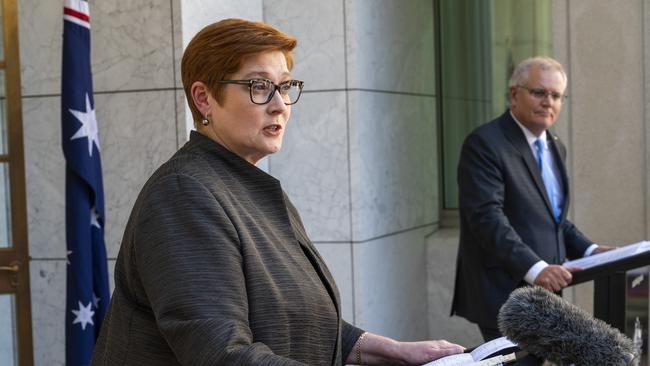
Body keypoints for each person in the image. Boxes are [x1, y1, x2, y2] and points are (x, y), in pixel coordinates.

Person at [91, 18, 463, 366]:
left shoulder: (241, 183)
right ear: (203, 99)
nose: (280, 105)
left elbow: (296, 316)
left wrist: (388, 350)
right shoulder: (183, 195)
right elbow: (223, 354)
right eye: (258, 86)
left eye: (285, 86)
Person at [450, 57, 611, 343]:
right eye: (539, 93)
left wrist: (591, 250)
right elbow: (486, 218)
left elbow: (552, 218)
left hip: (544, 293)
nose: (548, 102)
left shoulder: (554, 145)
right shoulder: (485, 144)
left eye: (556, 95)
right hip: (502, 292)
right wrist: (536, 269)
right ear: (514, 94)